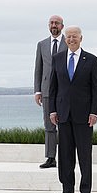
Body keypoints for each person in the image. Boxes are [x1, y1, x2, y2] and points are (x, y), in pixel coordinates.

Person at [49, 26, 97, 193]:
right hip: (63, 114)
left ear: (81, 38)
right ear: (65, 39)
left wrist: (94, 112)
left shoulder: (91, 60)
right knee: (65, 154)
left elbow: (96, 89)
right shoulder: (57, 59)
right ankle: (67, 189)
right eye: (68, 37)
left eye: (75, 36)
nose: (71, 39)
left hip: (84, 115)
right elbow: (53, 87)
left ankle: (85, 189)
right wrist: (52, 110)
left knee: (84, 154)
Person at [34, 15, 67, 169]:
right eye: (52, 23)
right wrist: (37, 91)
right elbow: (38, 69)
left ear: (62, 26)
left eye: (57, 23)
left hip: (64, 91)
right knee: (49, 126)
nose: (54, 25)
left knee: (65, 125)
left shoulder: (69, 42)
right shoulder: (41, 44)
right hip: (47, 90)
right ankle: (50, 157)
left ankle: (66, 157)